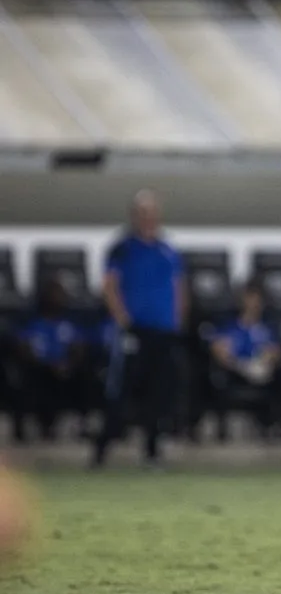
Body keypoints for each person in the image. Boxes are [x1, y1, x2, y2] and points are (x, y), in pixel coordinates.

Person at [92, 189, 186, 469]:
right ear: (134, 216)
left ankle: (152, 453)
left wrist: (178, 319)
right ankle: (101, 451)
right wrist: (122, 320)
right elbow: (109, 286)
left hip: (163, 332)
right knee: (120, 392)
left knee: (159, 394)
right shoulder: (122, 248)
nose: (149, 218)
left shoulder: (168, 249)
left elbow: (178, 286)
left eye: (153, 213)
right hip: (134, 332)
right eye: (143, 213)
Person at [209, 280, 281, 441]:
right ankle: (222, 430)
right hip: (235, 370)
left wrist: (268, 358)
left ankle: (278, 428)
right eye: (249, 298)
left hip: (261, 370)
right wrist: (233, 361)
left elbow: (276, 351)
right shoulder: (229, 325)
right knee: (219, 378)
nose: (253, 303)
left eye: (256, 299)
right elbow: (217, 348)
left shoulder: (266, 327)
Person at [12, 279, 88, 441]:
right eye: (54, 294)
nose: (58, 298)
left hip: (65, 369)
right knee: (30, 380)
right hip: (38, 368)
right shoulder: (32, 323)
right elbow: (23, 348)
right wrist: (45, 365)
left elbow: (79, 347)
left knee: (84, 377)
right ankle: (26, 430)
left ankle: (83, 426)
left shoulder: (69, 323)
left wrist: (68, 364)